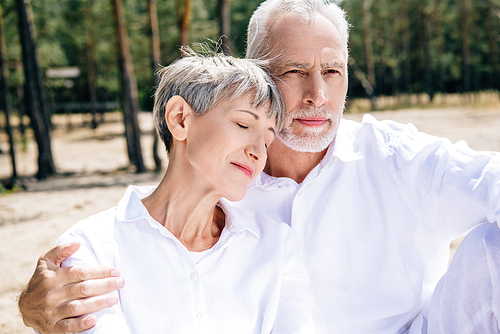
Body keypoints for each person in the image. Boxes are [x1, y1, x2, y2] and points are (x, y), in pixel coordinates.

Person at [18, 0, 500, 333]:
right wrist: (34, 306)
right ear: (257, 77)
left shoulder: (396, 157)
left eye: (332, 71)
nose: (319, 94)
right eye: (294, 71)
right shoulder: (222, 181)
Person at [20, 52, 315, 333]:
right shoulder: (90, 247)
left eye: (267, 140)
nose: (257, 152)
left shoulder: (278, 245)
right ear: (179, 119)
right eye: (242, 124)